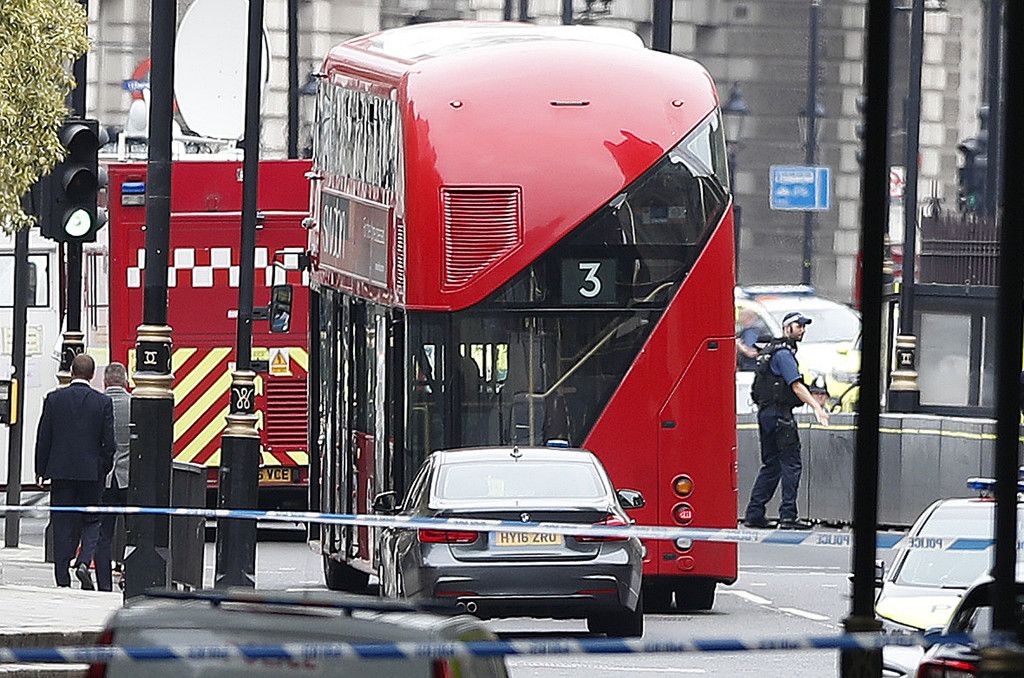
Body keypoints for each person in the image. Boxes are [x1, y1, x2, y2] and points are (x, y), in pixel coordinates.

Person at [35, 354, 115, 589]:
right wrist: (103, 467)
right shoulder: (102, 402)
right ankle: (83, 561)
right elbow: (108, 443)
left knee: (61, 523)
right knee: (92, 520)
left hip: (61, 472)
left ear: (71, 372)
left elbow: (44, 437)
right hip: (91, 473)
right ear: (92, 375)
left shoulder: (54, 399)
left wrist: (41, 470)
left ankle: (62, 577)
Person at [743, 312, 829, 530]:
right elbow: (796, 385)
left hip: (765, 414)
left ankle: (754, 513)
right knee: (791, 464)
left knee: (771, 465)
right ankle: (788, 515)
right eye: (798, 326)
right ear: (787, 327)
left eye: (803, 326)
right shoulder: (783, 354)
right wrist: (817, 407)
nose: (802, 330)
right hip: (781, 416)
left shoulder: (770, 351)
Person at [95, 362, 131, 592]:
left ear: (105, 381)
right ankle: (129, 576)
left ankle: (104, 584)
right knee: (133, 533)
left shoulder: (98, 404)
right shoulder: (134, 404)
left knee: (103, 534)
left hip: (105, 478)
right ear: (125, 381)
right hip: (129, 478)